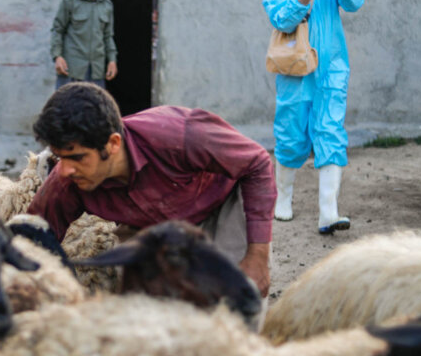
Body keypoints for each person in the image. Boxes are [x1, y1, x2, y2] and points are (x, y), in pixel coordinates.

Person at [27, 82, 276, 296]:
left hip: (221, 209)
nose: (67, 169)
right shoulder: (67, 181)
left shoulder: (180, 135)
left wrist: (258, 256)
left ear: (113, 144)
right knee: (145, 318)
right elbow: (31, 233)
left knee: (236, 301)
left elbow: (257, 163)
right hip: (152, 230)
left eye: (78, 157)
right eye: (60, 158)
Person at [263, 0, 365, 235]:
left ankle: (328, 212)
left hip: (331, 68)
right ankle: (283, 198)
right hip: (295, 71)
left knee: (330, 132)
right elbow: (280, 19)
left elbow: (356, 1)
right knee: (291, 134)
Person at [50, 0, 118, 90]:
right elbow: (58, 30)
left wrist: (112, 60)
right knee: (66, 107)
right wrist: (57, 56)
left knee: (95, 107)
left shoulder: (107, 5)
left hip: (96, 70)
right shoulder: (70, 3)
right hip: (72, 69)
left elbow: (108, 36)